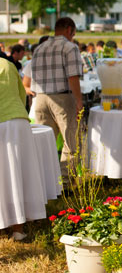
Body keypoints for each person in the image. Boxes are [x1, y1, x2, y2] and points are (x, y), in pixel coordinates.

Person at [26, 17, 83, 168]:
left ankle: (45, 180)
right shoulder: (70, 47)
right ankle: (66, 182)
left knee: (43, 143)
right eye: (73, 34)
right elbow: (73, 76)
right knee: (70, 141)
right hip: (62, 97)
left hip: (41, 98)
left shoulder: (40, 48)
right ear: (69, 30)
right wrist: (79, 100)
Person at [0, 57, 46, 241]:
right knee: (16, 174)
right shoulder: (8, 64)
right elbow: (21, 94)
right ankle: (17, 228)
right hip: (18, 120)